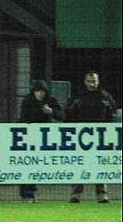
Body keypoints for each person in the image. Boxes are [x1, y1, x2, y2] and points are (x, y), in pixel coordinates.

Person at [66, 71, 117, 203]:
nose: (92, 84)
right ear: (85, 82)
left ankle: (102, 194)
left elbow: (113, 114)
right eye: (89, 81)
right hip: (81, 138)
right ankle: (76, 194)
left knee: (100, 165)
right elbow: (69, 113)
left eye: (94, 81)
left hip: (101, 138)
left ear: (98, 81)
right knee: (80, 164)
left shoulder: (105, 97)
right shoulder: (78, 97)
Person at [19, 80, 64, 203]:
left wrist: (51, 111)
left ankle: (31, 192)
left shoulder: (50, 101)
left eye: (42, 91)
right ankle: (26, 193)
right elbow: (24, 119)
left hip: (46, 139)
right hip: (30, 139)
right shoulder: (27, 101)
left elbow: (62, 115)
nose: (40, 94)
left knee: (38, 165)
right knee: (27, 165)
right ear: (33, 92)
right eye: (37, 91)